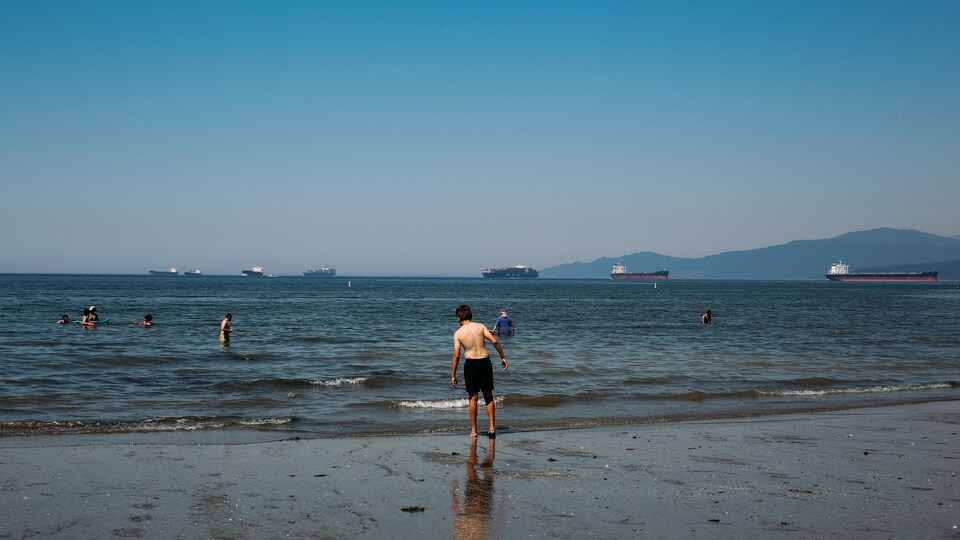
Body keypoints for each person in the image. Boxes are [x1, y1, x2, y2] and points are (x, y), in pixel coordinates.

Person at [451, 304, 508, 438]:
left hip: (471, 364)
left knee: (473, 397)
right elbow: (494, 341)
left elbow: (456, 355)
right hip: (484, 362)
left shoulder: (458, 333)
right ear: (471, 315)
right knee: (488, 395)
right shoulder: (480, 326)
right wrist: (503, 357)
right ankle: (492, 428)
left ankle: (474, 431)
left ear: (458, 318)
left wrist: (453, 375)